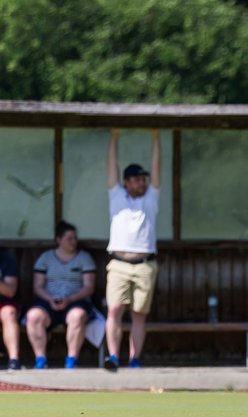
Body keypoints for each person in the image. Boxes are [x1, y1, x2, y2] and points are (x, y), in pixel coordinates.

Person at [104, 128, 162, 371]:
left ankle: (135, 358)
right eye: (137, 179)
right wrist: (114, 137)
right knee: (115, 308)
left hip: (145, 264)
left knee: (139, 313)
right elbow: (111, 168)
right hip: (118, 262)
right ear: (127, 182)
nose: (142, 182)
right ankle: (113, 357)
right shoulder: (116, 197)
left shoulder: (151, 199)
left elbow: (157, 167)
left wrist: (156, 138)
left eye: (143, 179)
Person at [25, 221, 97, 369]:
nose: (74, 242)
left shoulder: (84, 258)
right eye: (69, 238)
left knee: (78, 316)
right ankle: (40, 359)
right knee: (33, 316)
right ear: (59, 240)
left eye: (75, 238)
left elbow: (89, 287)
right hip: (49, 300)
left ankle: (71, 359)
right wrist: (50, 299)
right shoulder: (45, 258)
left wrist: (70, 299)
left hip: (75, 300)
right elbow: (37, 286)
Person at [0, 248, 18, 370]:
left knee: (9, 313)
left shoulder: (7, 259)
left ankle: (13, 360)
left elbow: (10, 291)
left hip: (4, 302)